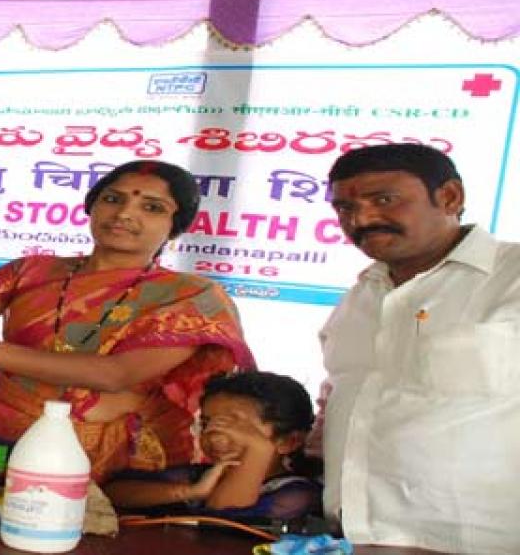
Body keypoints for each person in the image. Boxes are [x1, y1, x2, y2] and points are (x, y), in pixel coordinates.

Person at [0, 160, 256, 481]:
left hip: (119, 469)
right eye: (112, 199)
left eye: (152, 208)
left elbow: (115, 374)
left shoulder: (193, 297)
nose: (125, 214)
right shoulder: (33, 271)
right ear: (91, 208)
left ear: (176, 228)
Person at [315, 143, 520, 554]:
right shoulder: (360, 297)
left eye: (384, 200)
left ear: (449, 197)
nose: (361, 219)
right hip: (355, 539)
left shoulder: (510, 279)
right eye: (344, 208)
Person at [106, 371, 320, 520]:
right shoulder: (203, 476)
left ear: (288, 441)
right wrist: (189, 492)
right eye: (208, 423)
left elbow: (224, 518)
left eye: (237, 426)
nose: (215, 436)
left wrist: (258, 449)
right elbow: (114, 492)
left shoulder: (298, 494)